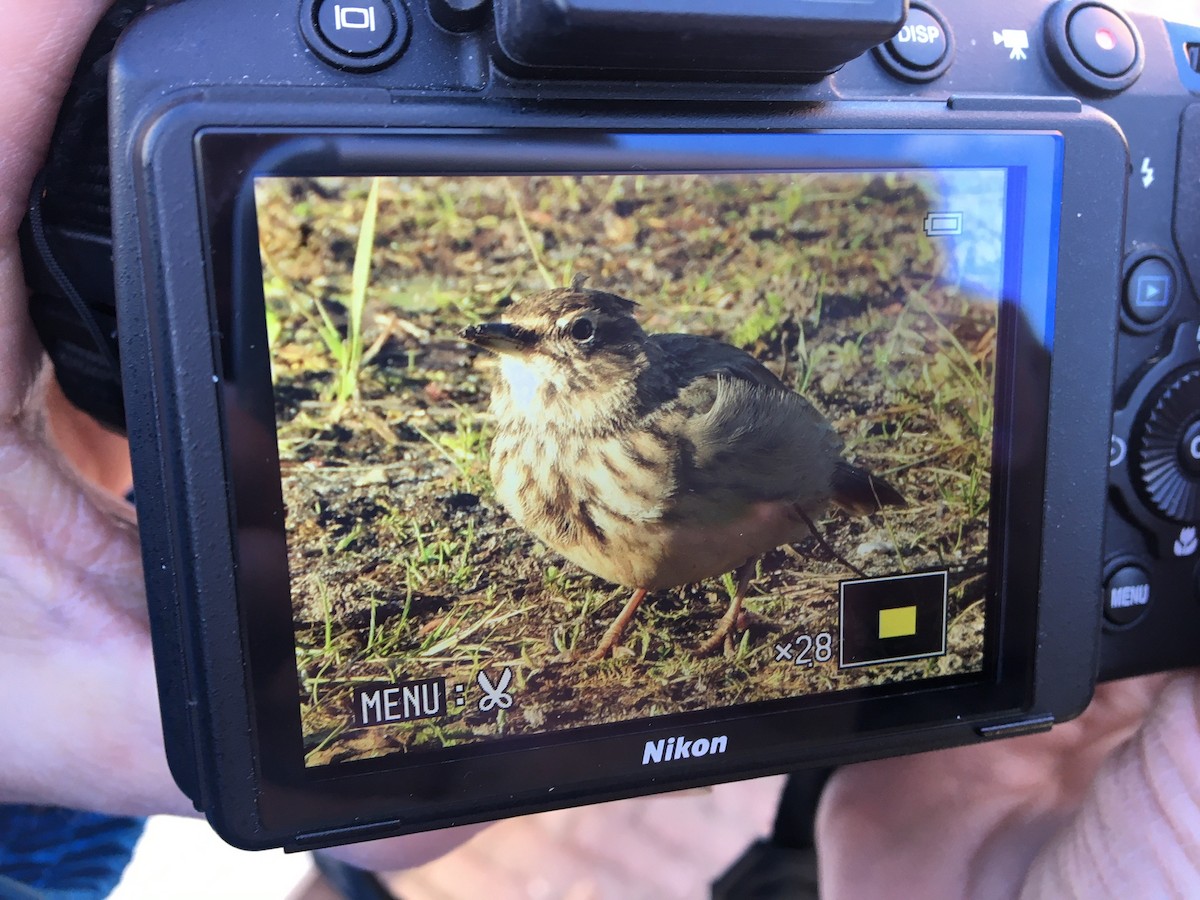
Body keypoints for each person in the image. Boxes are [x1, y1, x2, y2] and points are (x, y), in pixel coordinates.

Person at [1, 1, 1196, 895]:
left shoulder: (702, 424)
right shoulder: (520, 454)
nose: (515, 344)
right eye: (517, 328)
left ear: (622, 355)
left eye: (563, 335)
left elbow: (797, 478)